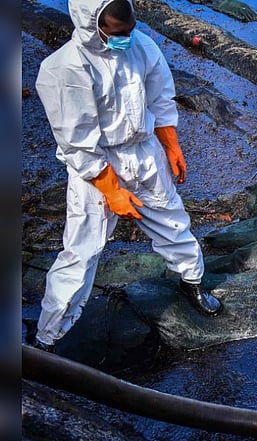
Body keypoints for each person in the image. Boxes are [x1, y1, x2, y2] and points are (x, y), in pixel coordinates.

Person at [33, 0, 223, 352]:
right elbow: (78, 142)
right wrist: (111, 190)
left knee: (172, 220)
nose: (128, 38)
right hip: (98, 164)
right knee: (82, 250)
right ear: (94, 27)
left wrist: (171, 146)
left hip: (143, 150)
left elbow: (161, 99)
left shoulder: (141, 46)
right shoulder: (64, 69)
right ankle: (49, 335)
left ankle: (192, 281)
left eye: (130, 30)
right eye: (119, 33)